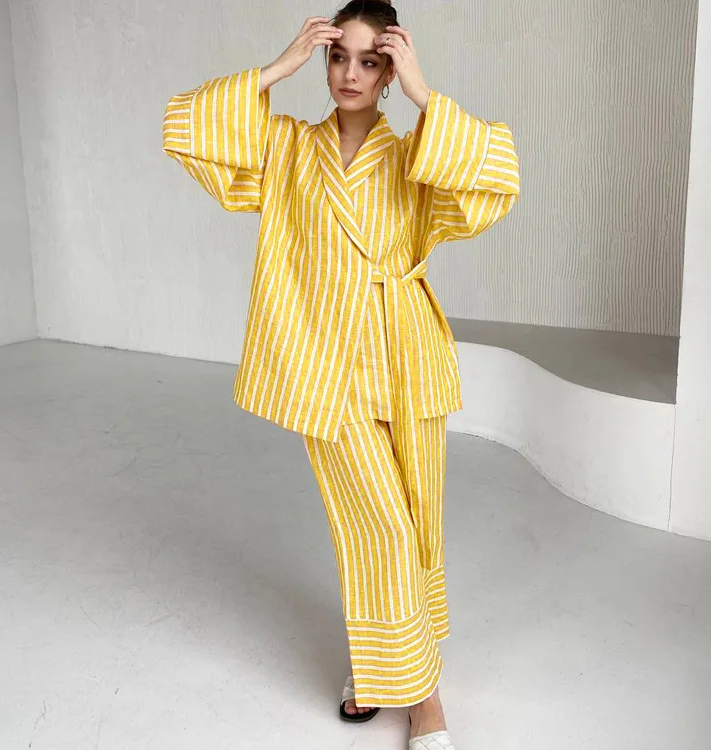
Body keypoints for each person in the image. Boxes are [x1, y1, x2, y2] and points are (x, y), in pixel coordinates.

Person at [163, 1, 519, 747]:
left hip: (406, 357)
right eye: (337, 56)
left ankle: (384, 662)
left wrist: (424, 92)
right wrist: (278, 66)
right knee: (377, 524)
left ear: (389, 73)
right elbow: (187, 128)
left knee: (414, 522)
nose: (350, 74)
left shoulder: (417, 152)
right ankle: (424, 700)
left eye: (370, 61)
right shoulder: (289, 148)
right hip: (326, 363)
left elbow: (497, 182)